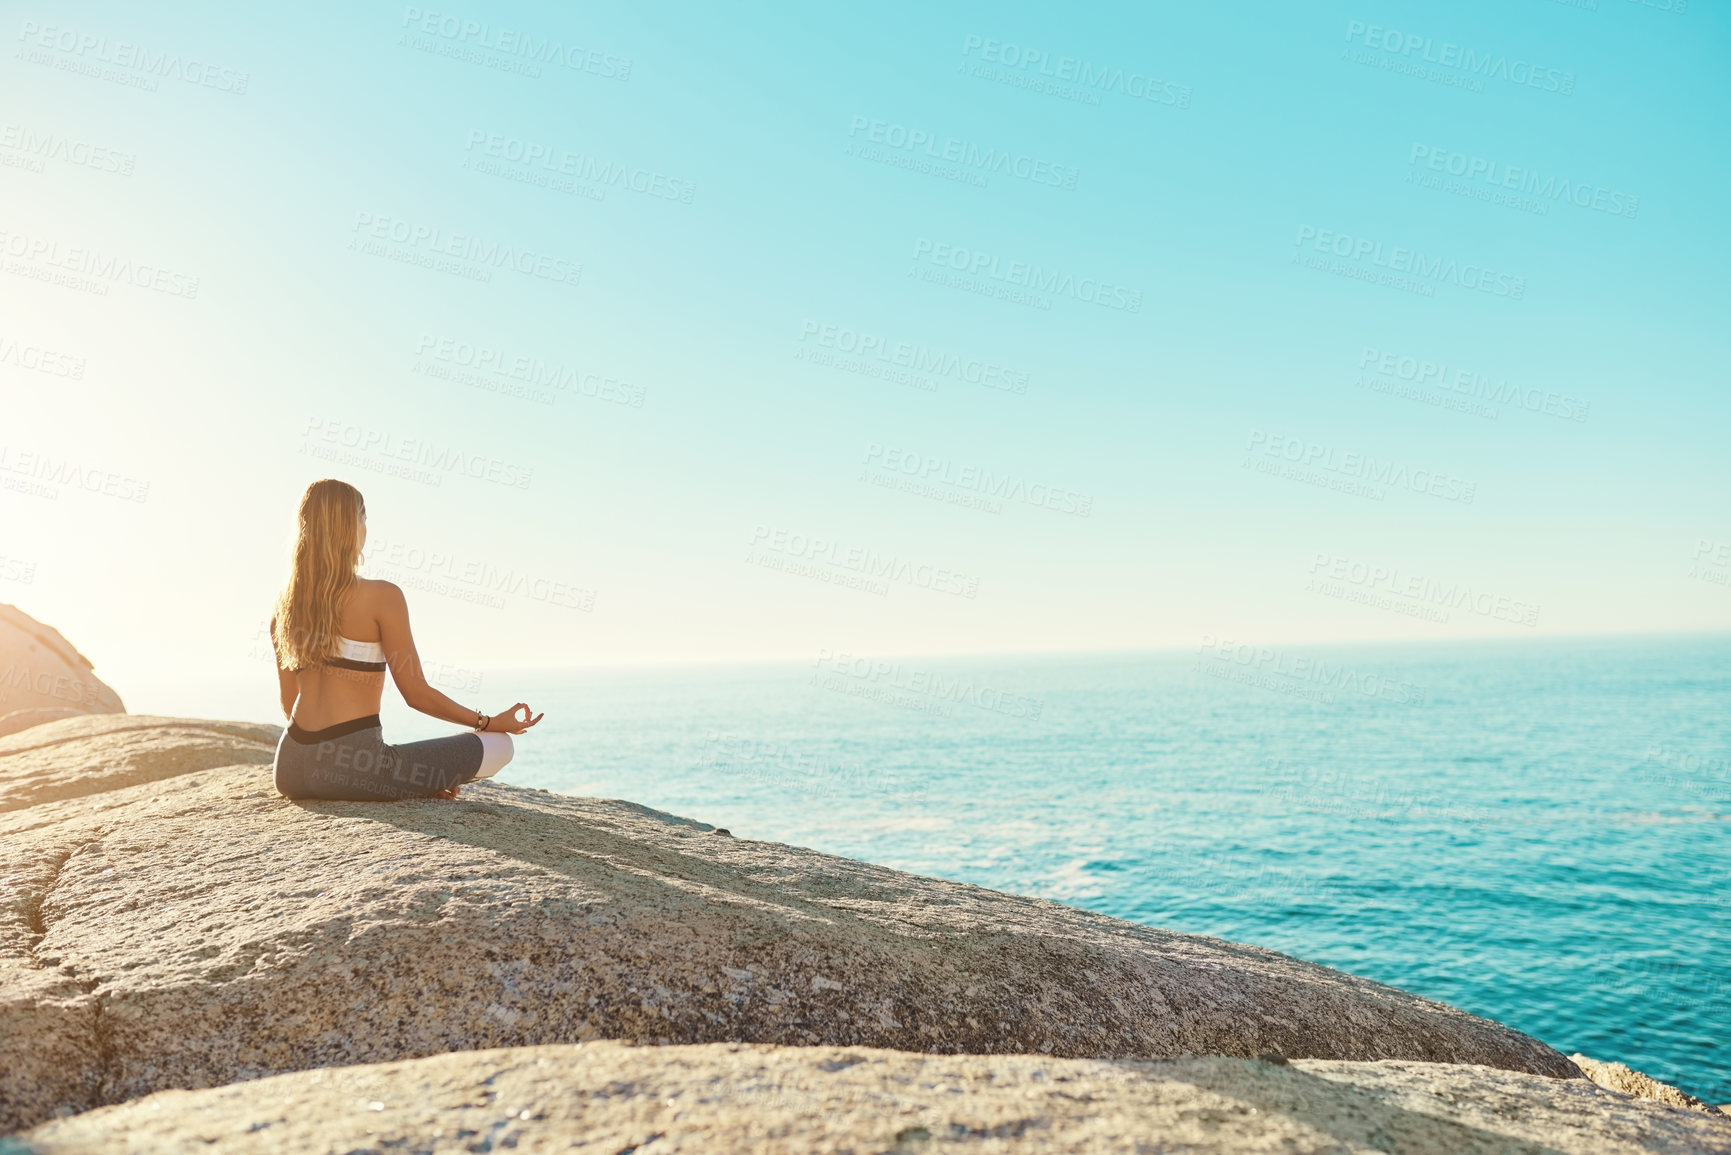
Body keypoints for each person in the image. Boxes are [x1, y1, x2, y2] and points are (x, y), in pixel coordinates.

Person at [269, 478, 542, 800]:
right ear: (348, 527)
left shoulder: (286, 607)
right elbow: (416, 694)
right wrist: (488, 721)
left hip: (290, 768)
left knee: (393, 760)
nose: (365, 528)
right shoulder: (382, 596)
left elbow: (290, 703)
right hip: (354, 770)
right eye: (363, 518)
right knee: (501, 745)